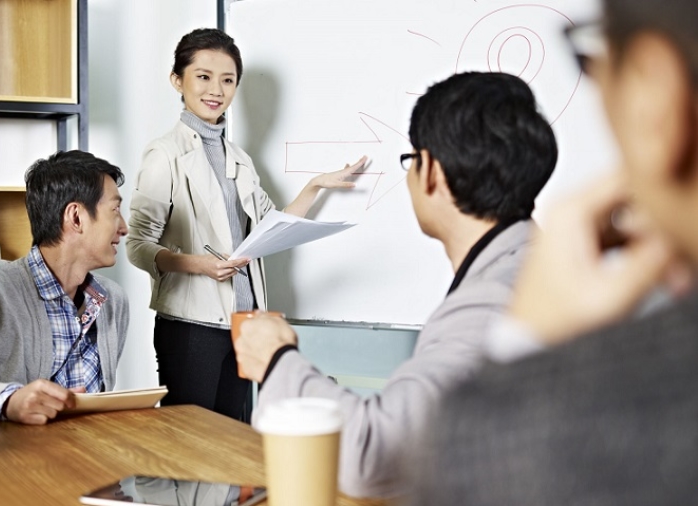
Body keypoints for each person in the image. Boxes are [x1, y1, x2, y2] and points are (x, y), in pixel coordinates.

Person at [409, 1, 698, 504]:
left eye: (594, 58)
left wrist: (524, 345)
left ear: (656, 97)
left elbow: (463, 462)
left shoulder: (547, 432)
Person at [234, 71, 558, 497]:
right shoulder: (532, 264)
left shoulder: (492, 301)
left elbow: (375, 455)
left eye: (411, 161)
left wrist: (277, 360)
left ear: (432, 175)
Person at [126, 27, 364, 421]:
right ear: (177, 80)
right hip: (191, 327)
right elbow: (137, 244)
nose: (215, 89)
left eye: (228, 79)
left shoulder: (238, 157)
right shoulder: (164, 154)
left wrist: (314, 186)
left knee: (232, 441)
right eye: (203, 76)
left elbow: (271, 226)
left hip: (243, 323)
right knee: (192, 443)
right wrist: (197, 264)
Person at [0, 150, 130, 425]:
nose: (124, 227)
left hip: (90, 458)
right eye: (115, 211)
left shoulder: (112, 301)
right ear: (76, 218)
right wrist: (10, 401)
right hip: (10, 461)